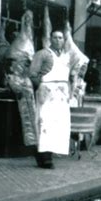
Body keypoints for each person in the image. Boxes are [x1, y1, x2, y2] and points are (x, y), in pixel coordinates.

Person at [29, 29, 71, 169]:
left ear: (64, 40)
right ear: (50, 39)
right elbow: (32, 74)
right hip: (46, 95)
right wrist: (41, 87)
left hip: (60, 97)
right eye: (55, 37)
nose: (58, 40)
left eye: (60, 38)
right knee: (44, 125)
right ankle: (43, 158)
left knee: (57, 127)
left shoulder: (65, 57)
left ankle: (49, 156)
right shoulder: (42, 54)